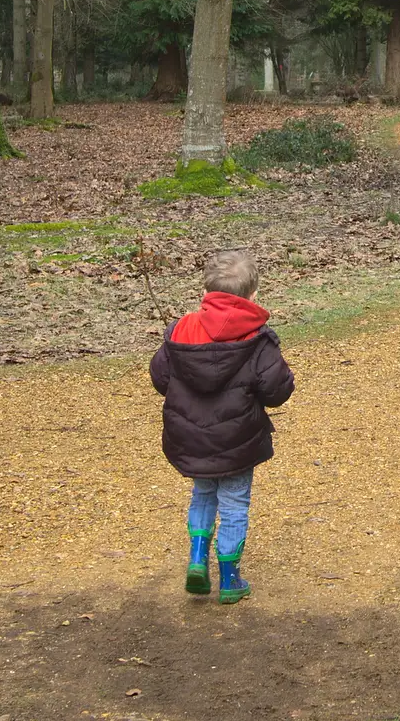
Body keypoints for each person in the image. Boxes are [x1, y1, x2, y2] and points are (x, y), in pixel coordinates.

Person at [150, 250, 293, 604]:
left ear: (205, 294)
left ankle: (197, 559)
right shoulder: (258, 339)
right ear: (253, 296)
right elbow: (277, 391)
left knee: (202, 493)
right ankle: (230, 579)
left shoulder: (180, 329)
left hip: (192, 437)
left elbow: (160, 376)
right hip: (238, 441)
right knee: (234, 503)